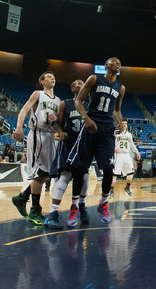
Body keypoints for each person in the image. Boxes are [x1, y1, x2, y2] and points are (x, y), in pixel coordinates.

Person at [65, 57, 125, 225]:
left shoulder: (121, 88)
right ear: (106, 65)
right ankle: (74, 207)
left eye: (119, 62)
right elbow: (78, 101)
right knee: (80, 169)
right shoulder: (94, 79)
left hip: (107, 131)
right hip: (90, 126)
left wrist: (121, 122)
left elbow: (117, 111)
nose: (118, 63)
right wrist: (85, 118)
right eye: (114, 61)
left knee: (108, 169)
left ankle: (103, 203)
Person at [11, 71, 62, 225]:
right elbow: (24, 110)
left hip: (50, 137)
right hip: (37, 134)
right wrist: (19, 127)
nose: (52, 78)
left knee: (47, 174)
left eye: (53, 77)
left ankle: (21, 198)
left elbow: (59, 123)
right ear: (42, 81)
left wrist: (57, 120)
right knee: (39, 173)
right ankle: (35, 210)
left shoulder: (59, 100)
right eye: (48, 77)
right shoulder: (38, 94)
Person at [44, 79, 92, 229]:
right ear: (72, 89)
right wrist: (60, 132)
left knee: (84, 177)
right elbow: (58, 123)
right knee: (65, 175)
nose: (81, 84)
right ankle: (53, 213)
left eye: (83, 83)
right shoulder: (65, 104)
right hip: (68, 144)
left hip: (84, 146)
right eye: (77, 83)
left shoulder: (91, 105)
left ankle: (80, 206)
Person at [112, 120, 141, 197]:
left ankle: (127, 187)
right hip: (118, 154)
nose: (124, 125)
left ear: (127, 125)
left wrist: (137, 152)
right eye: (123, 123)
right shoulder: (115, 133)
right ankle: (111, 190)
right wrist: (113, 147)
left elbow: (132, 145)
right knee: (114, 174)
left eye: (125, 124)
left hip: (127, 155)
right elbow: (110, 141)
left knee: (131, 172)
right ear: (119, 125)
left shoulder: (129, 134)